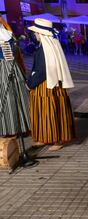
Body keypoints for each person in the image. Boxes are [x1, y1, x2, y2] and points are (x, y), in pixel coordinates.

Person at [27, 18, 75, 151]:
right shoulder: (50, 46)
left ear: (41, 34)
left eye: (36, 33)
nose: (35, 35)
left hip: (46, 86)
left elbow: (42, 71)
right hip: (51, 85)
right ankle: (45, 137)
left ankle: (57, 140)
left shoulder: (45, 49)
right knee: (45, 113)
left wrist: (30, 84)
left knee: (50, 112)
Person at [0, 15, 30, 136]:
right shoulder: (8, 33)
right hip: (4, 68)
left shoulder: (8, 33)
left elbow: (17, 51)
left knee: (19, 96)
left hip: (13, 67)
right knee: (7, 99)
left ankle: (22, 127)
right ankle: (9, 129)